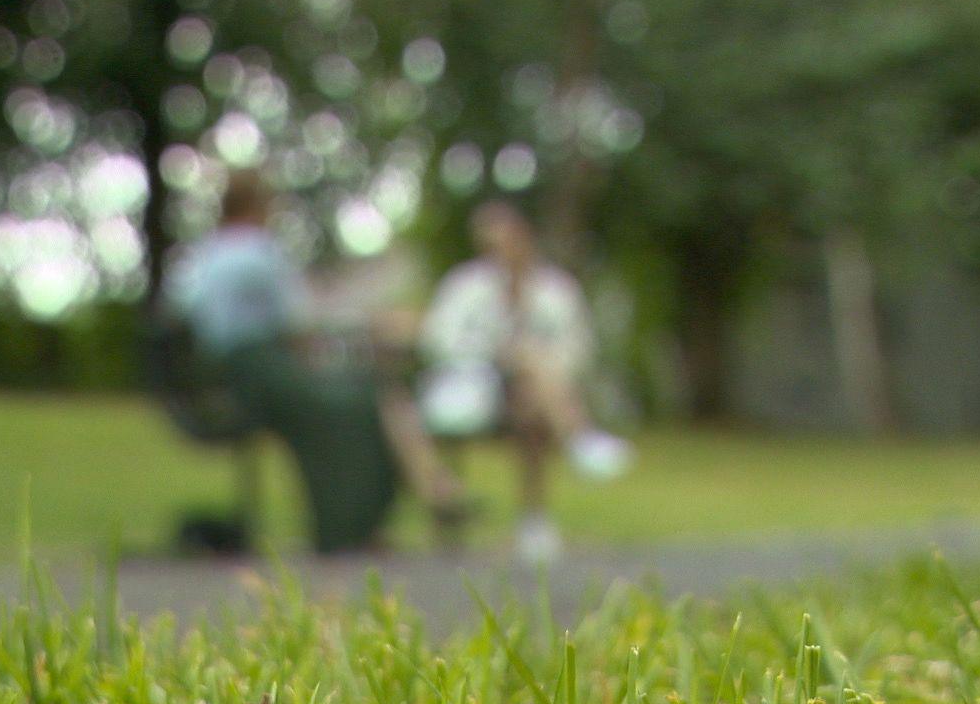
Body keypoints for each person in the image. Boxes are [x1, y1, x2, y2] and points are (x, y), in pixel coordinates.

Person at [164, 172, 466, 552]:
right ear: (259, 206)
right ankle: (349, 529)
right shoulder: (260, 251)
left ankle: (360, 521)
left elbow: (180, 314)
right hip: (259, 375)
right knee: (360, 403)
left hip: (216, 380)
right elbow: (299, 324)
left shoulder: (201, 256)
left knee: (357, 397)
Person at [417, 201, 631, 563]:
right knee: (528, 359)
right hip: (474, 387)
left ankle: (534, 521)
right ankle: (578, 435)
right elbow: (438, 340)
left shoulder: (556, 289)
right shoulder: (465, 286)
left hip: (533, 393)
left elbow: (578, 349)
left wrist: (528, 355)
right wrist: (495, 352)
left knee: (532, 382)